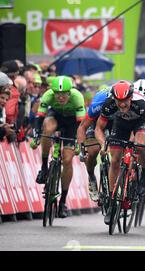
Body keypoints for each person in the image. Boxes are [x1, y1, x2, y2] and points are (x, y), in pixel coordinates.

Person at [95, 80, 145, 224]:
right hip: (120, 125)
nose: (122, 104)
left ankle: (143, 173)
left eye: (125, 101)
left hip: (139, 124)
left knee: (140, 146)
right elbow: (99, 128)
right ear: (114, 99)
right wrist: (103, 144)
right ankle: (112, 201)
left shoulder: (140, 104)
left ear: (130, 98)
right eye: (119, 101)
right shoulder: (109, 104)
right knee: (115, 159)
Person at [30, 76, 85, 218]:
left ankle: (63, 202)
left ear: (70, 92)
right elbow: (39, 118)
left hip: (73, 123)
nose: (61, 97)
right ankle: (44, 167)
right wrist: (36, 135)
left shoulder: (77, 97)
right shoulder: (47, 96)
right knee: (47, 129)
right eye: (57, 94)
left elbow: (81, 125)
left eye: (64, 94)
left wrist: (79, 143)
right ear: (53, 92)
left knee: (67, 160)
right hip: (56, 116)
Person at [76, 86, 112, 201]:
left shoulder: (125, 103)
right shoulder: (98, 104)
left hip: (116, 122)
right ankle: (91, 177)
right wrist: (82, 150)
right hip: (96, 122)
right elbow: (82, 127)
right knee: (93, 150)